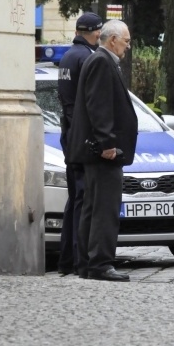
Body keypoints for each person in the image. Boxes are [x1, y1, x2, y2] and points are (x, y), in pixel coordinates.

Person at [67, 20, 138, 281]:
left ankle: (87, 263)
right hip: (103, 151)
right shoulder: (101, 61)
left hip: (98, 150)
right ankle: (100, 263)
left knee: (93, 206)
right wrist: (108, 143)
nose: (127, 47)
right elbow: (98, 106)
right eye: (126, 41)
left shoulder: (101, 60)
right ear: (112, 40)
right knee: (104, 209)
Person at [55, 11, 102, 276]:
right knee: (84, 200)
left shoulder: (68, 56)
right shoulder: (88, 58)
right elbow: (91, 103)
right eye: (99, 32)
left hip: (69, 135)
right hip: (81, 137)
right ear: (95, 32)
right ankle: (79, 260)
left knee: (74, 200)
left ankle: (66, 260)